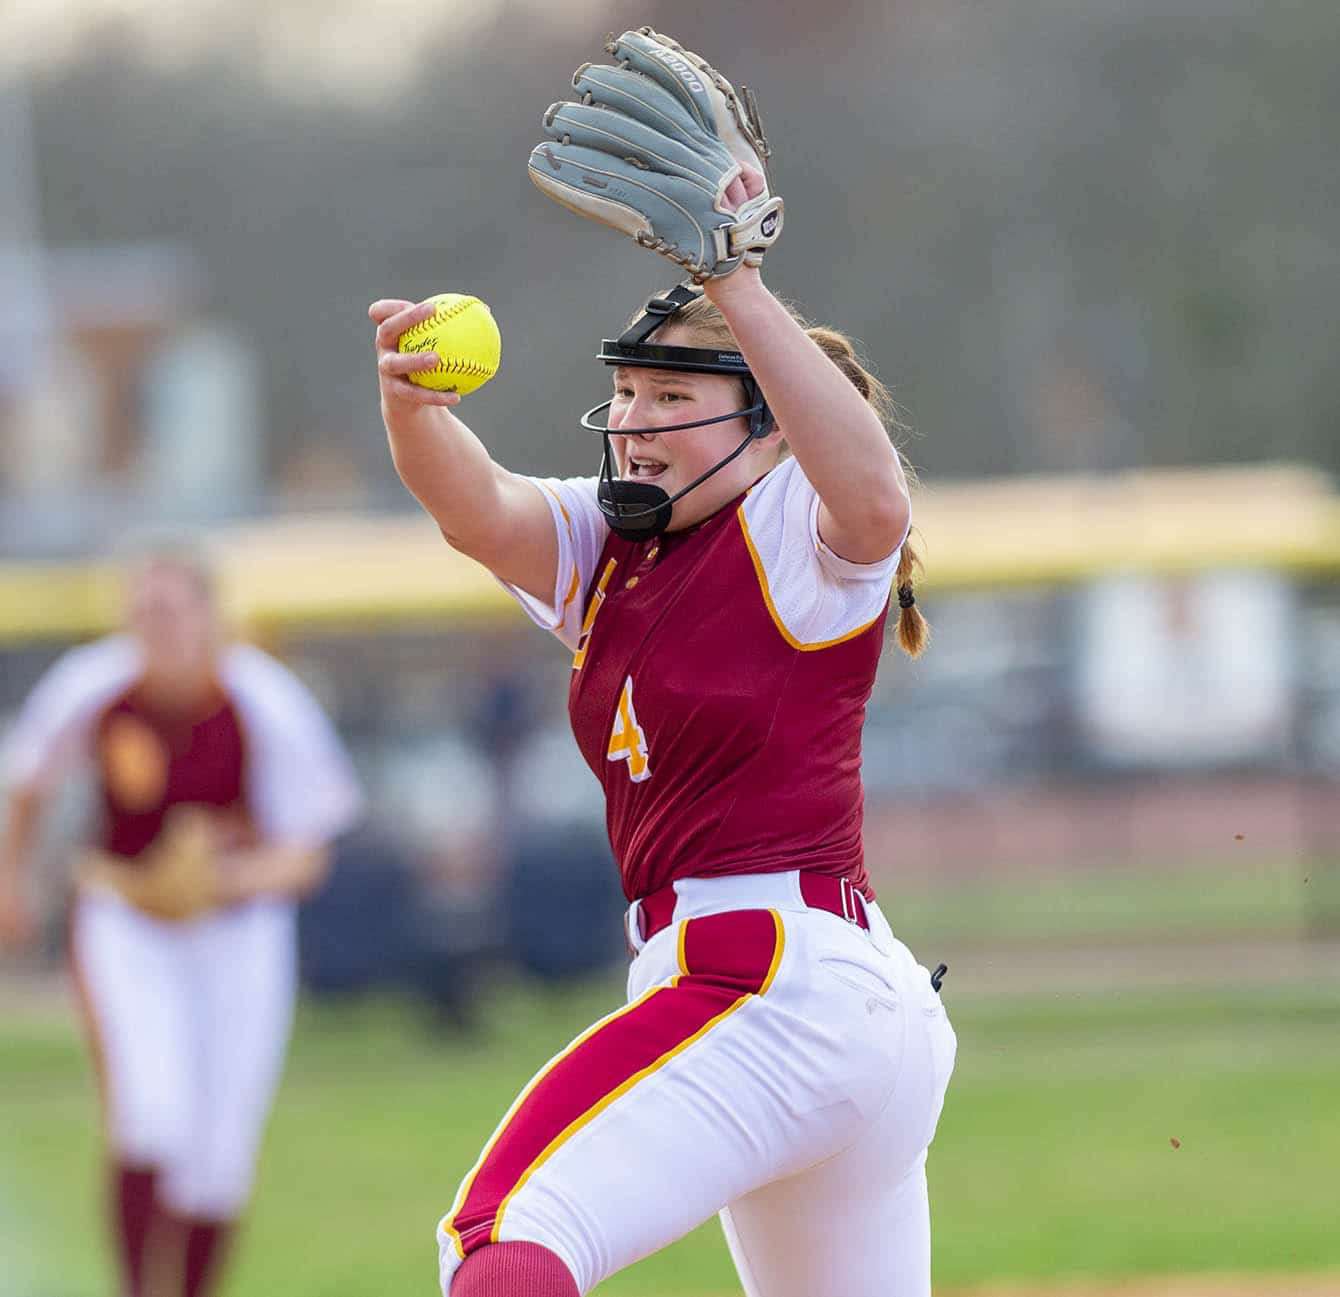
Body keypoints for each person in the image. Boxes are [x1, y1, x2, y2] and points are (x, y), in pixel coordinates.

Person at [370, 28, 956, 1297]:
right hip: (832, 1005)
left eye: (671, 399)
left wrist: (734, 282)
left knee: (500, 1239)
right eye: (628, 395)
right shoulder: (611, 551)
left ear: (767, 426)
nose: (634, 422)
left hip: (763, 981)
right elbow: (478, 510)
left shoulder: (791, 524)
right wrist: (411, 410)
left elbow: (872, 496)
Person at [0, 541, 363, 1297]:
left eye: (170, 609)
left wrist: (224, 877)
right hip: (129, 918)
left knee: (219, 1156)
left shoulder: (261, 697)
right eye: (142, 610)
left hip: (239, 932)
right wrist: (12, 881)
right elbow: (29, 781)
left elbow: (309, 853)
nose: (155, 625)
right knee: (151, 1113)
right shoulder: (99, 685)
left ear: (210, 615)